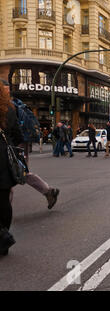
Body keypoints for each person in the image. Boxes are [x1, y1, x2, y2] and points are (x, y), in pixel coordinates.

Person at [1, 80, 59, 210]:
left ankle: (4, 214)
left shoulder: (9, 107)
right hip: (18, 144)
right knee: (19, 173)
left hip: (14, 145)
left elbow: (15, 132)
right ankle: (48, 191)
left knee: (15, 174)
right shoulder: (15, 105)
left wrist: (10, 149)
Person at [0, 81, 24, 256]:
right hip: (2, 158)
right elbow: (18, 135)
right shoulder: (9, 109)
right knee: (3, 201)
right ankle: (4, 238)